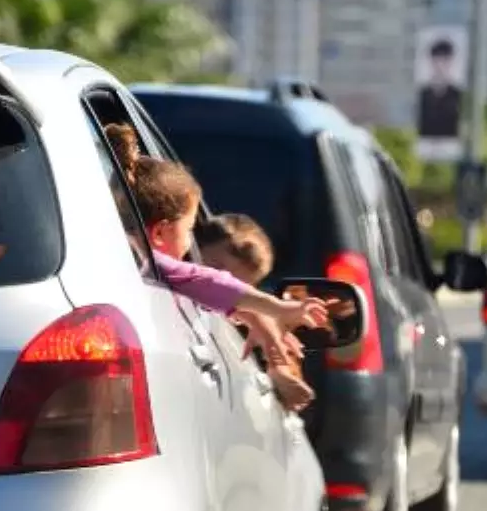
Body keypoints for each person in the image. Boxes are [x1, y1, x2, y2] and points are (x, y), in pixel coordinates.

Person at [102, 124, 327, 360]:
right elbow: (210, 283)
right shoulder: (154, 264)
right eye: (189, 230)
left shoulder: (109, 251)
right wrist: (277, 308)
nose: (191, 242)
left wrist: (252, 315)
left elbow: (212, 290)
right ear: (159, 233)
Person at [197, 213, 315, 412]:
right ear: (193, 249)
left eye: (236, 287)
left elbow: (255, 313)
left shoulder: (237, 316)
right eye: (217, 271)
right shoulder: (174, 272)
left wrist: (279, 368)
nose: (222, 286)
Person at [416, 37, 463, 139]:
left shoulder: (459, 96)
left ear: (451, 62)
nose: (441, 66)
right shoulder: (421, 95)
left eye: (445, 60)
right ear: (431, 61)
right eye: (437, 60)